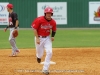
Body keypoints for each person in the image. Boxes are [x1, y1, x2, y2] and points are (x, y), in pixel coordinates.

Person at [31, 7, 57, 75]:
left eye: (50, 13)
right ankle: (38, 57)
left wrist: (52, 36)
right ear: (45, 13)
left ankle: (45, 69)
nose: (49, 14)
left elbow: (54, 30)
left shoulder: (53, 22)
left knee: (49, 52)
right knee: (40, 54)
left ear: (52, 14)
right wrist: (37, 38)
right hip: (39, 37)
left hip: (47, 38)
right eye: (47, 13)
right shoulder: (39, 19)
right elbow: (34, 29)